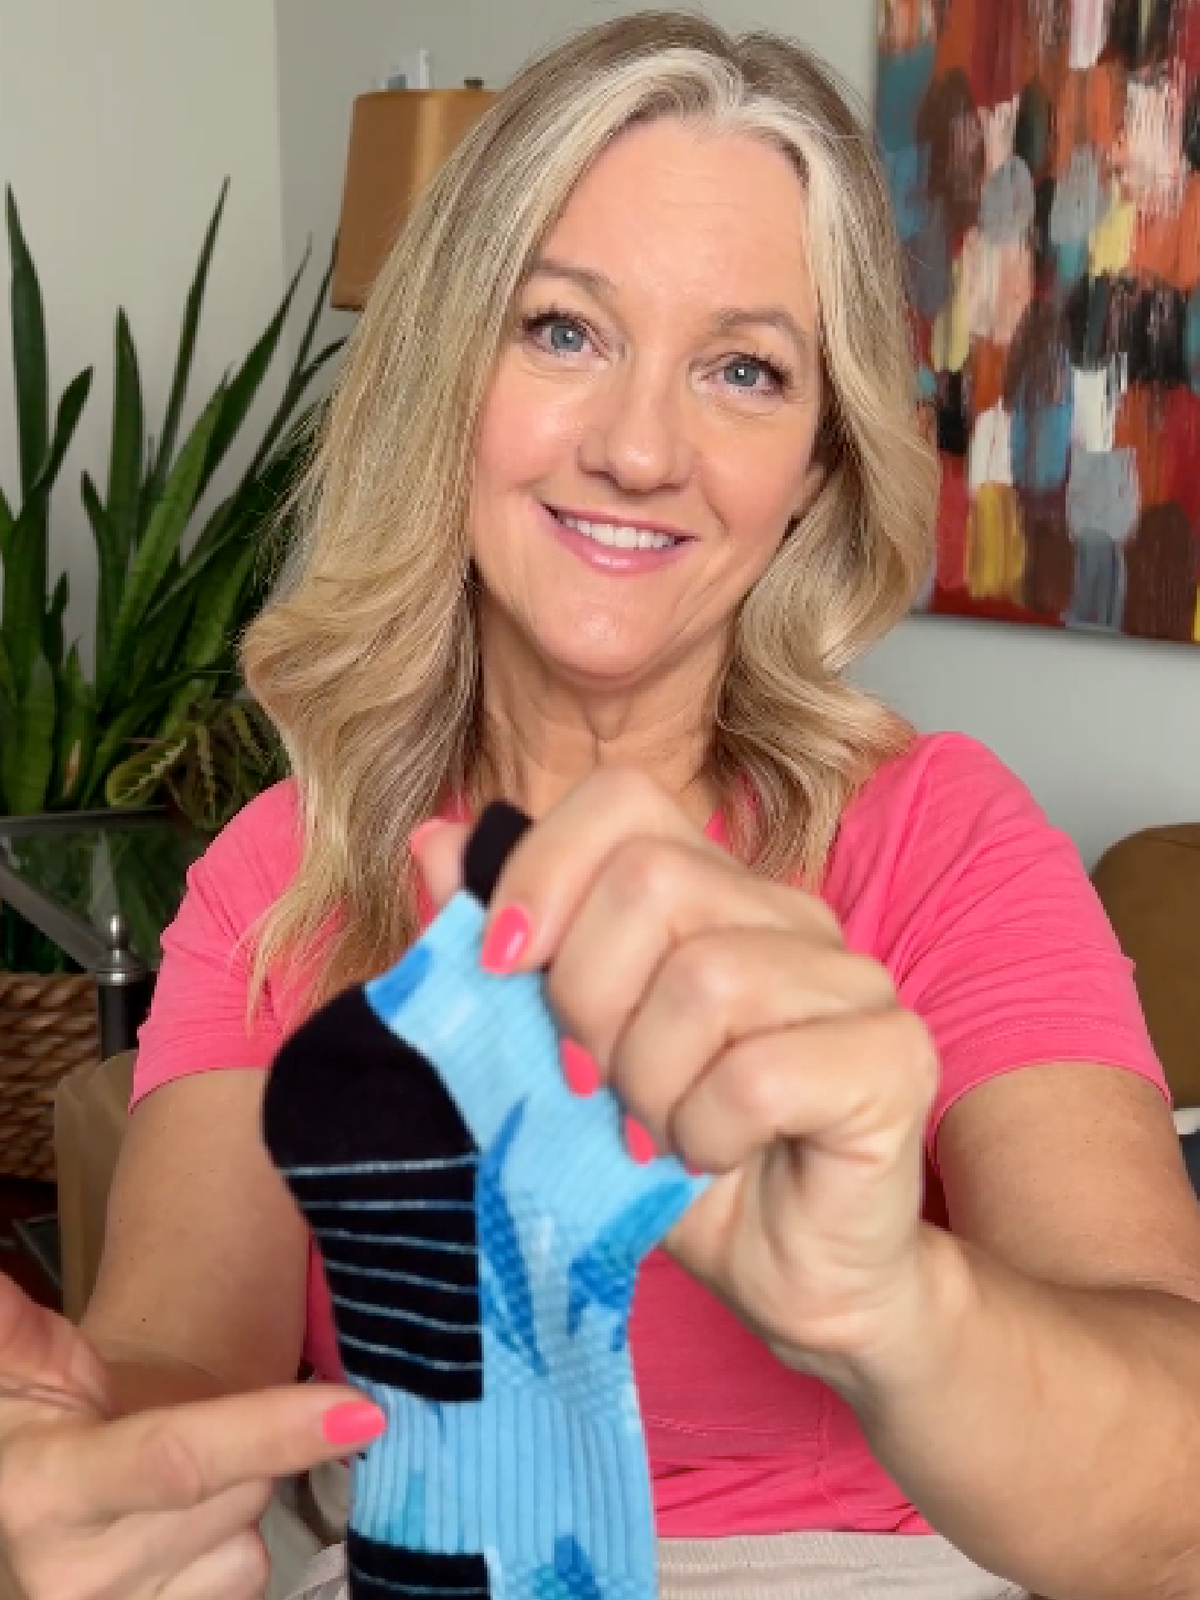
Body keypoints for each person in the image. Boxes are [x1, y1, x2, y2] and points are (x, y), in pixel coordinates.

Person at [2, 13, 1199, 1600]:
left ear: (816, 470)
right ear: (448, 381)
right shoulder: (281, 871)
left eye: (744, 370)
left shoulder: (941, 837)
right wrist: (82, 1462)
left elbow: (1178, 1498)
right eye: (564, 332)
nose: (639, 449)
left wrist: (893, 1304)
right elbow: (177, 1371)